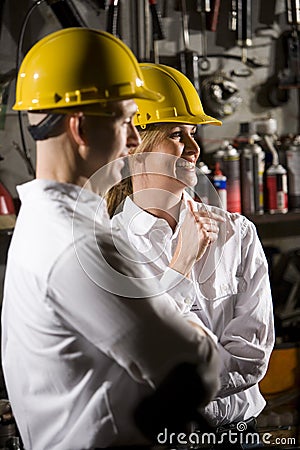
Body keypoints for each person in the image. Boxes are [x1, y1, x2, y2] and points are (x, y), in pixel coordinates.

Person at [1, 29, 221, 450]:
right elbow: (197, 370)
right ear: (80, 127)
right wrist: (193, 324)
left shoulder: (45, 225)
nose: (136, 139)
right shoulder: (78, 246)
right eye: (125, 121)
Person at [107, 63, 275, 446]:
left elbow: (252, 359)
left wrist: (179, 381)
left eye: (193, 133)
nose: (195, 148)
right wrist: (179, 264)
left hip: (240, 436)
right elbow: (139, 367)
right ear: (135, 147)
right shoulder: (110, 248)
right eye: (177, 135)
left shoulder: (236, 234)